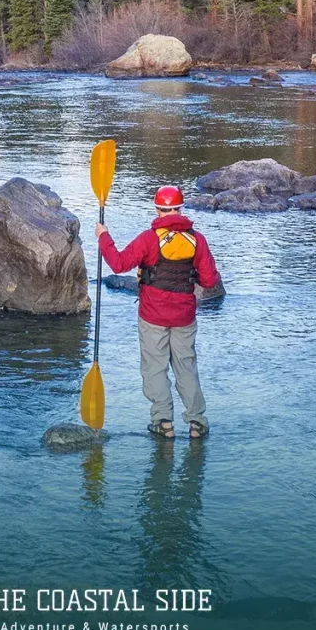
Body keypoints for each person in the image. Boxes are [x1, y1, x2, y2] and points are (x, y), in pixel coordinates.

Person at [95, 185, 219, 440]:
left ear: (157, 209)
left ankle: (163, 423)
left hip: (152, 316)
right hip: (184, 317)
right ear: (180, 209)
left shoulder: (149, 239)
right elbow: (209, 282)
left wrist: (103, 237)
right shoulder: (198, 240)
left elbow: (118, 264)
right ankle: (196, 422)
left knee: (155, 368)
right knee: (186, 367)